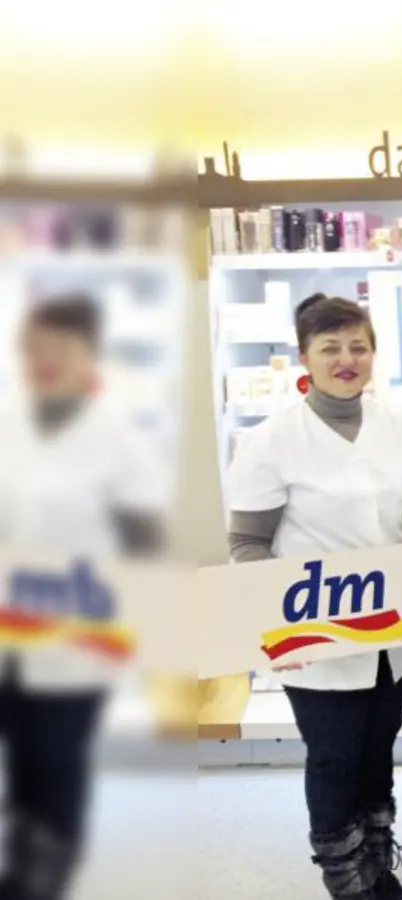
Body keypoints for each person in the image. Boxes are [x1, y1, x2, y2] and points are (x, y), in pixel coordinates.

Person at [227, 294, 402, 900]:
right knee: (333, 758)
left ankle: (378, 864)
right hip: (319, 635)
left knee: (378, 754)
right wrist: (274, 622)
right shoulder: (271, 441)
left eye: (358, 346)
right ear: (305, 357)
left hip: (396, 629)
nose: (346, 359)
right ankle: (346, 879)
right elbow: (247, 542)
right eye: (330, 348)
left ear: (374, 353)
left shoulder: (398, 426)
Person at [0, 294, 169, 900]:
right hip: (6, 636)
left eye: (60, 348)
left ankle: (46, 873)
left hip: (74, 635)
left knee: (55, 758)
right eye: (35, 347)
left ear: (86, 355)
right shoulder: (8, 422)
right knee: (19, 762)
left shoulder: (118, 438)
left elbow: (144, 543)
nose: (45, 359)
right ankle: (19, 862)